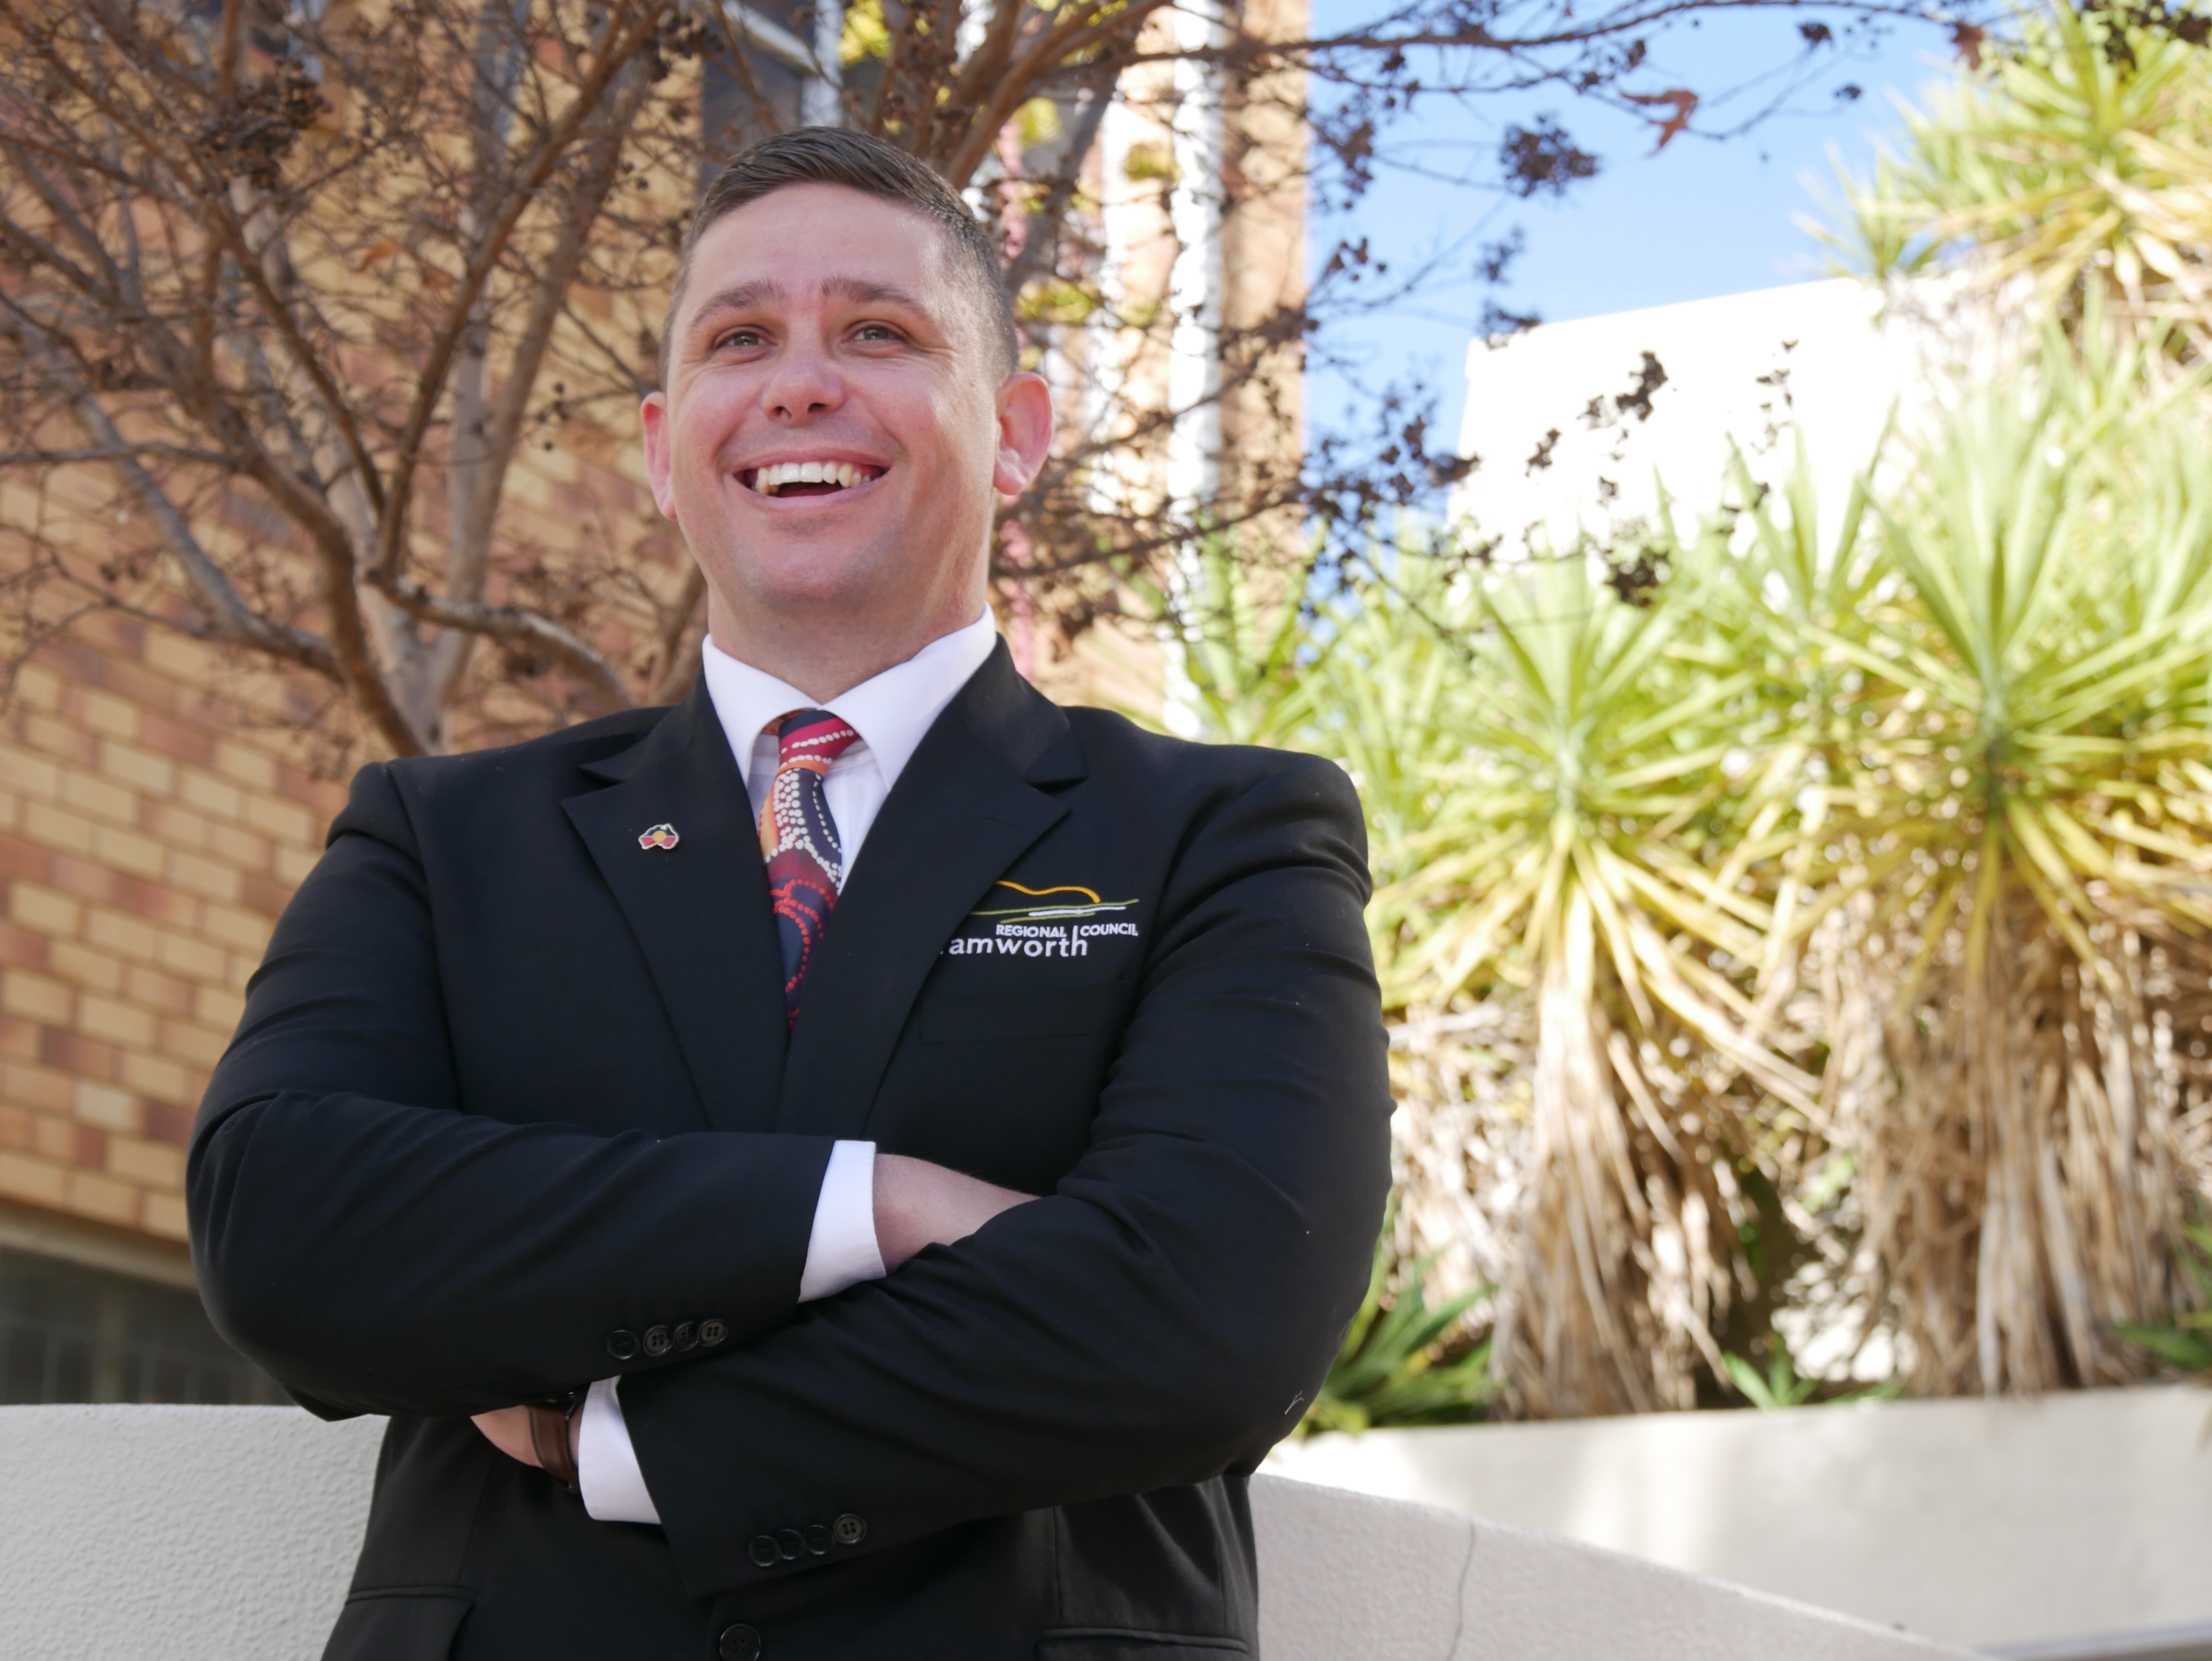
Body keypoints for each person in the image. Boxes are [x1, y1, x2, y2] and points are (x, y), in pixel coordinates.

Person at [188, 127, 1391, 1661]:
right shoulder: (443, 841)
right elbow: (283, 1226)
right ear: (662, 447)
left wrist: (621, 1445)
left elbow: (1211, 1319)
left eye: (879, 333)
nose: (801, 384)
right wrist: (873, 1205)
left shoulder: (1224, 835)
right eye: (739, 338)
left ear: (1017, 431)